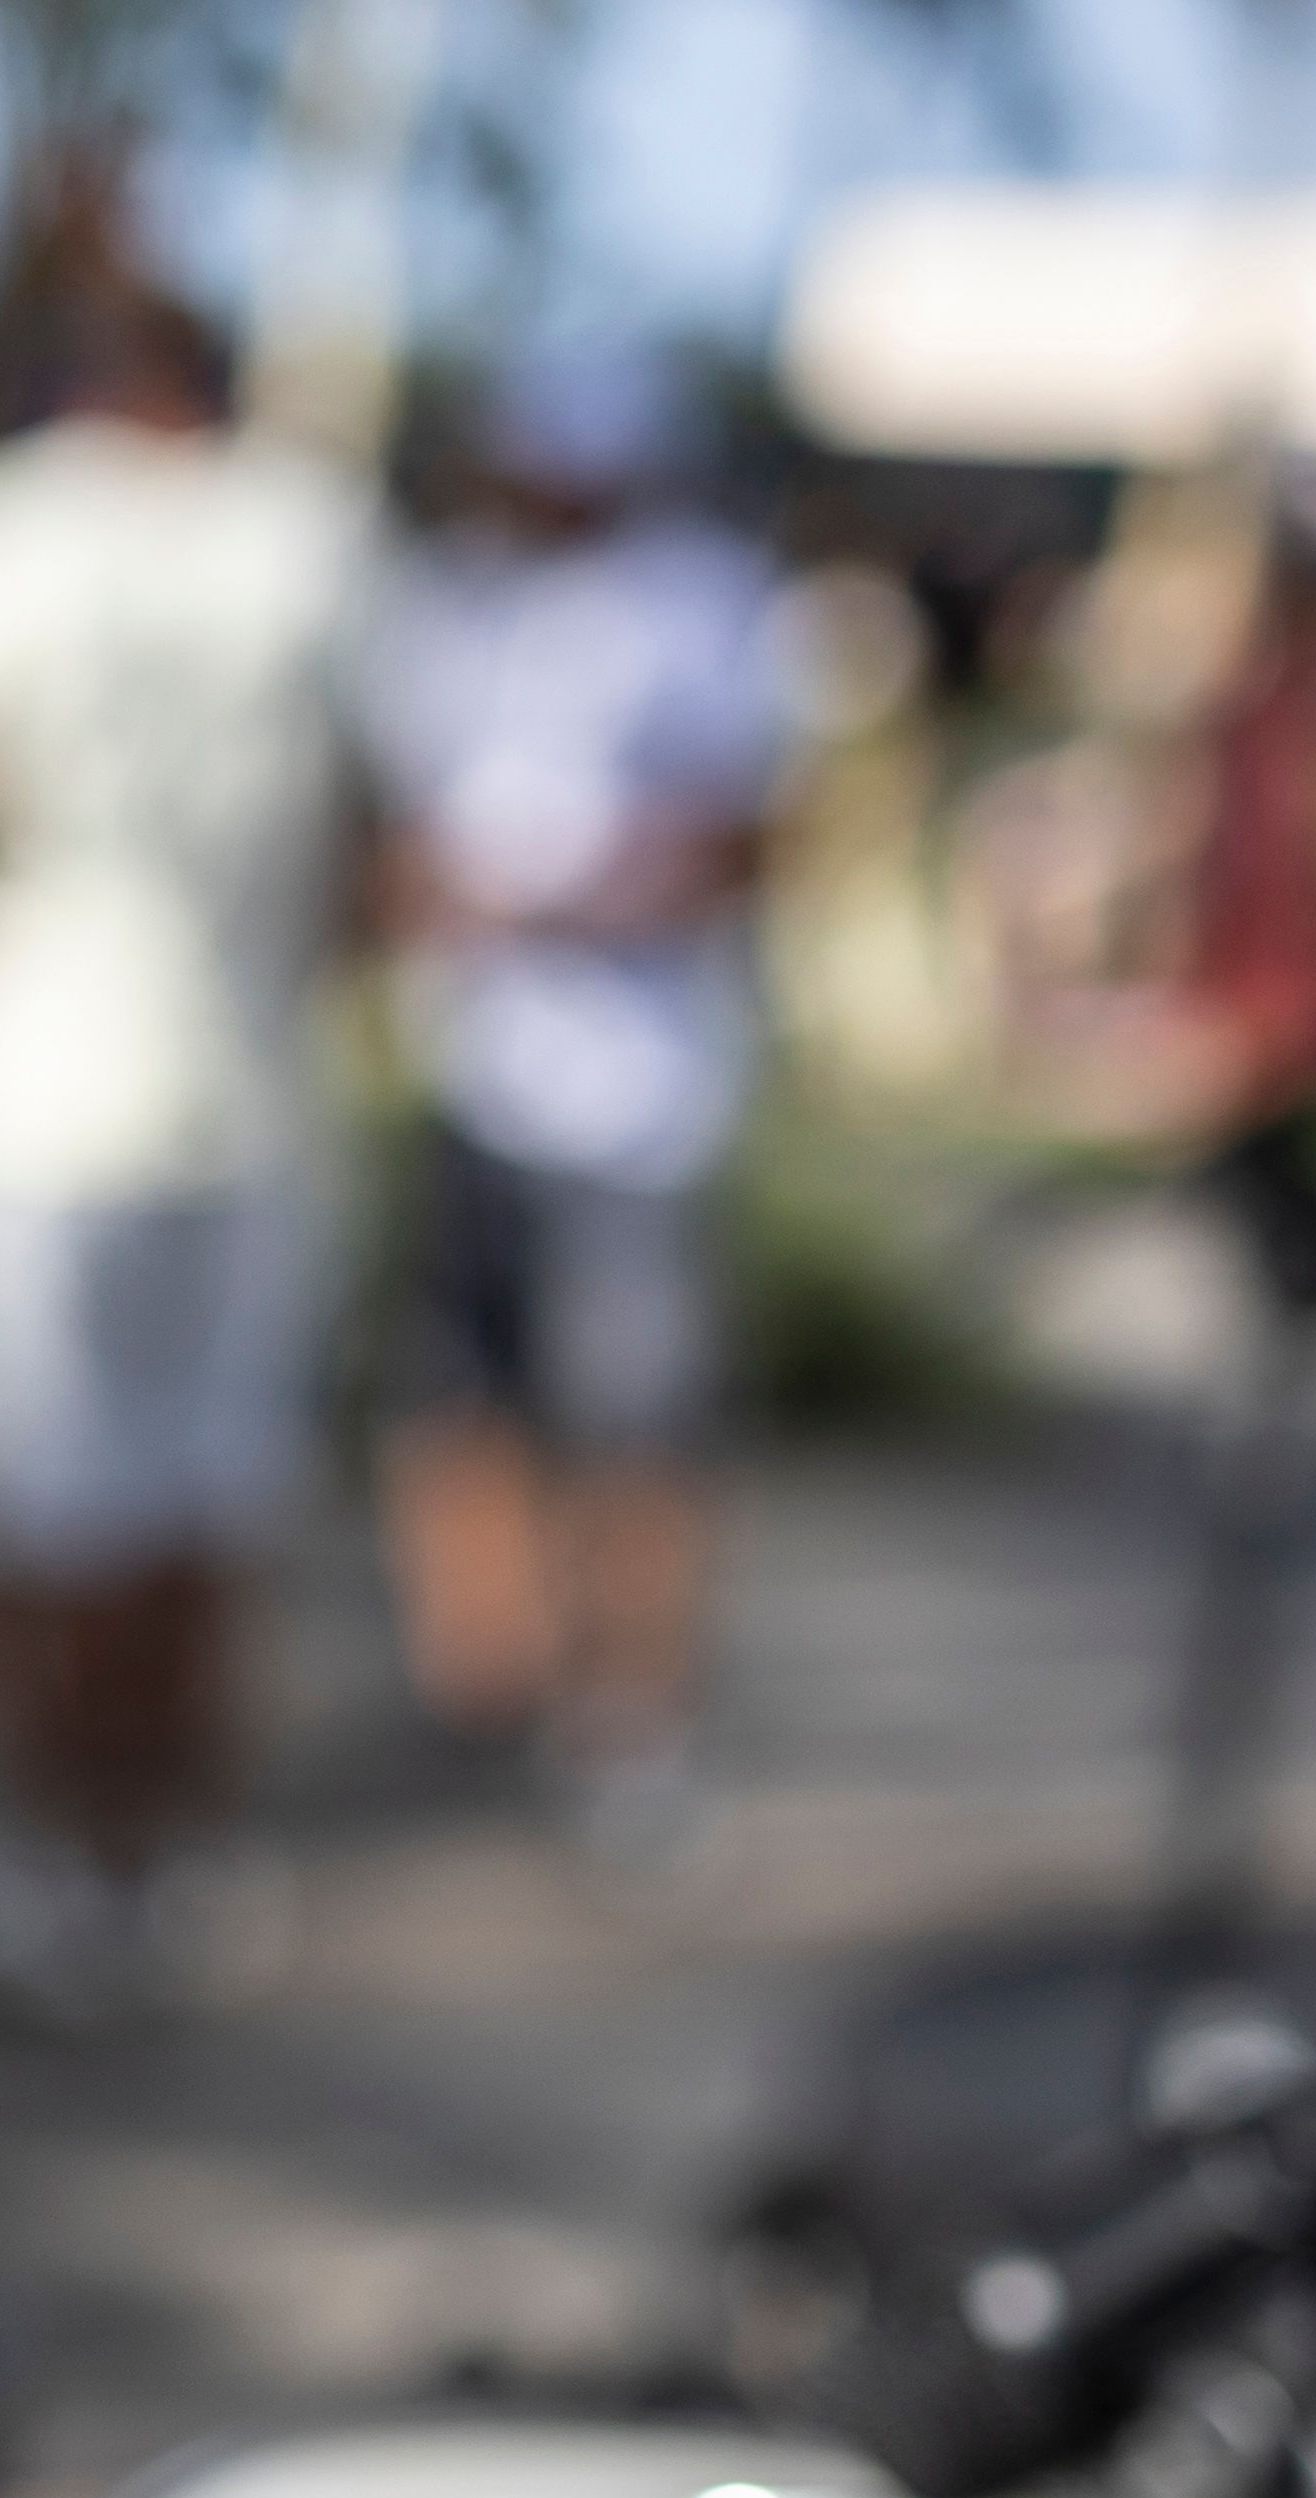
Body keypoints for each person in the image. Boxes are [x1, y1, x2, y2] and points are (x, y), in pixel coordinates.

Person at [0, 287, 372, 2017]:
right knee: (204, 1502)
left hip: (28, 1095)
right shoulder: (320, 538)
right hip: (253, 1092)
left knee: (37, 1504)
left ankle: (47, 1850)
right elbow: (385, 840)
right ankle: (166, 1850)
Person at [354, 344, 784, 1861]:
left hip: (639, 1103)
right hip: (478, 1076)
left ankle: (632, 1720)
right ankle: (482, 1690)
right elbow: (394, 828)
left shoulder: (701, 602)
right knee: (457, 1405)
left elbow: (741, 838)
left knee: (635, 1429)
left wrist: (573, 904)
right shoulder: (452, 602)